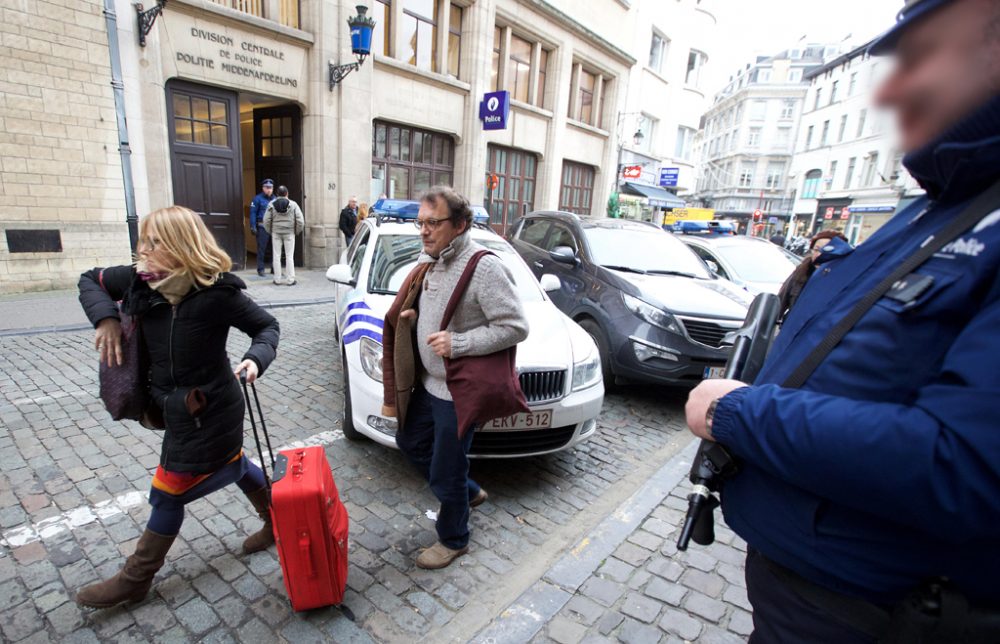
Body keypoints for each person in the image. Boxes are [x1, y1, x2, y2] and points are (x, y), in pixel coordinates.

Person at [684, 1, 1000, 641]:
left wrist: (735, 412)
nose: (891, 88)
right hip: (811, 582)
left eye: (922, 56)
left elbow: (962, 462)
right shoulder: (943, 205)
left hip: (870, 609)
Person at [75, 206, 280, 609]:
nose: (143, 252)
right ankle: (276, 519)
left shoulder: (218, 293)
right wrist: (106, 319)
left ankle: (135, 580)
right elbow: (89, 280)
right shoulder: (140, 282)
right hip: (173, 407)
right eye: (143, 241)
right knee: (234, 462)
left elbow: (267, 326)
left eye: (155, 243)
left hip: (213, 408)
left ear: (181, 247)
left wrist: (256, 358)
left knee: (167, 493)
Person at [381, 186, 528, 570]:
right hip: (430, 384)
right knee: (409, 441)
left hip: (458, 390)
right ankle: (469, 492)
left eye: (434, 222)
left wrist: (459, 342)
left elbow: (515, 326)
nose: (424, 231)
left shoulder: (484, 267)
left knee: (447, 466)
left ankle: (454, 537)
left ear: (460, 225)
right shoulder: (431, 260)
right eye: (421, 223)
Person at [775, 230, 850, 321]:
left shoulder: (848, 280)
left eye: (827, 250)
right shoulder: (801, 272)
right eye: (816, 249)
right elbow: (779, 305)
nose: (820, 255)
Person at [263, 185, 304, 286]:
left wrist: (270, 231)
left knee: (276, 256)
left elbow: (266, 220)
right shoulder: (293, 205)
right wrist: (296, 231)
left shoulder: (271, 204)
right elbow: (300, 221)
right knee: (289, 256)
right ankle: (290, 280)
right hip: (289, 233)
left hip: (276, 233)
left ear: (277, 194)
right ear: (287, 194)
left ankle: (277, 279)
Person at [249, 179, 274, 277]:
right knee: (261, 249)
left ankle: (274, 268)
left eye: (270, 188)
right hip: (262, 227)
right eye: (267, 188)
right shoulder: (257, 199)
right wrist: (253, 226)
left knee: (274, 249)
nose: (269, 190)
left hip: (273, 228)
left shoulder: (275, 198)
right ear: (263, 188)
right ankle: (261, 269)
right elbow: (253, 213)